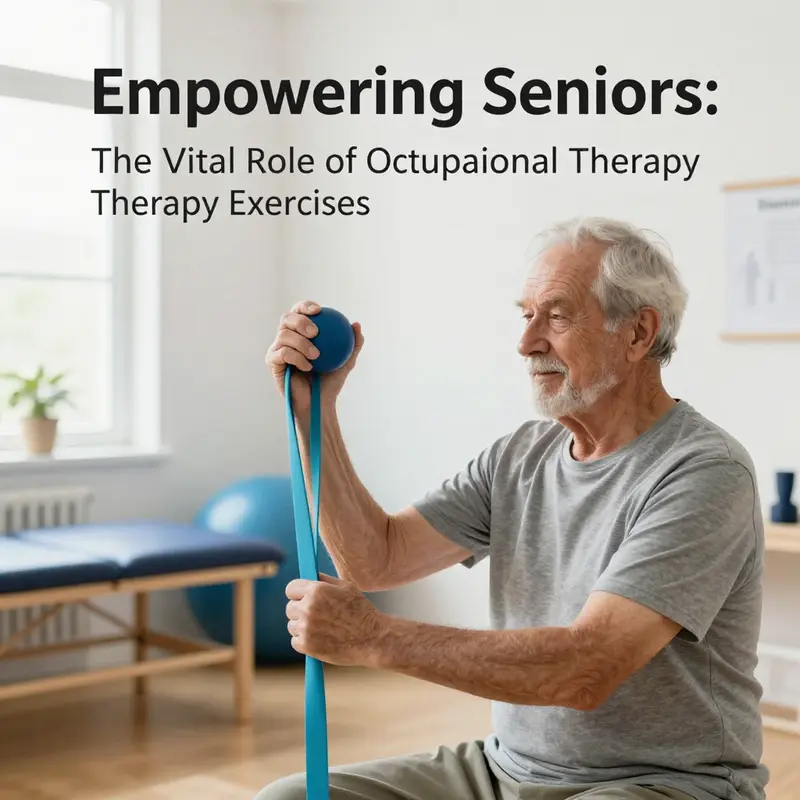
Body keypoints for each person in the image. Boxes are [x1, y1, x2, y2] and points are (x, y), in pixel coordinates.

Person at [257, 217, 768, 800]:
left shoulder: (703, 470)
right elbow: (378, 559)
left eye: (556, 315)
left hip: (663, 783)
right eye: (525, 316)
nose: (526, 344)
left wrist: (374, 637)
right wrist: (311, 411)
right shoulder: (520, 456)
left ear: (637, 333)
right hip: (502, 771)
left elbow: (587, 668)